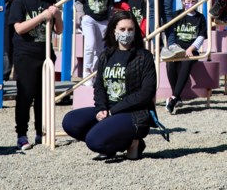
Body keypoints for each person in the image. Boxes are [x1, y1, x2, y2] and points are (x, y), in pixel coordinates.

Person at [62, 10, 157, 160]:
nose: (126, 33)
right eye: (122, 29)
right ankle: (112, 141)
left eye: (130, 29)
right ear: (114, 31)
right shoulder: (106, 56)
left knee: (94, 141)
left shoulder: (144, 57)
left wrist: (113, 111)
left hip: (133, 113)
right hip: (109, 109)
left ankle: (133, 142)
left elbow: (146, 94)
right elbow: (99, 86)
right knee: (71, 121)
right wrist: (101, 108)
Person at [7, 0, 63, 150]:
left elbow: (58, 30)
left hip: (45, 54)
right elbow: (19, 28)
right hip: (25, 54)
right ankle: (22, 135)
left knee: (43, 96)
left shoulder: (49, 1)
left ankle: (41, 131)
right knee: (25, 95)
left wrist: (57, 15)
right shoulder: (20, 1)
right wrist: (42, 16)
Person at [164, 0, 208, 115]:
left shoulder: (200, 18)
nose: (190, 3)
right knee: (170, 62)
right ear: (183, 2)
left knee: (186, 61)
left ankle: (174, 97)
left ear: (197, 2)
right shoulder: (176, 15)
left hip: (191, 50)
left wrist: (191, 48)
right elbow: (169, 33)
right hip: (177, 49)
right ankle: (176, 97)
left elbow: (201, 36)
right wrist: (175, 48)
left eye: (193, 1)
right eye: (188, 1)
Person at [80, 0, 113, 75]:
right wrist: (81, 15)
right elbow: (79, 1)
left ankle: (96, 73)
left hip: (103, 20)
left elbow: (110, 4)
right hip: (89, 18)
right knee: (90, 44)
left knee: (100, 50)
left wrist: (109, 18)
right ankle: (86, 71)